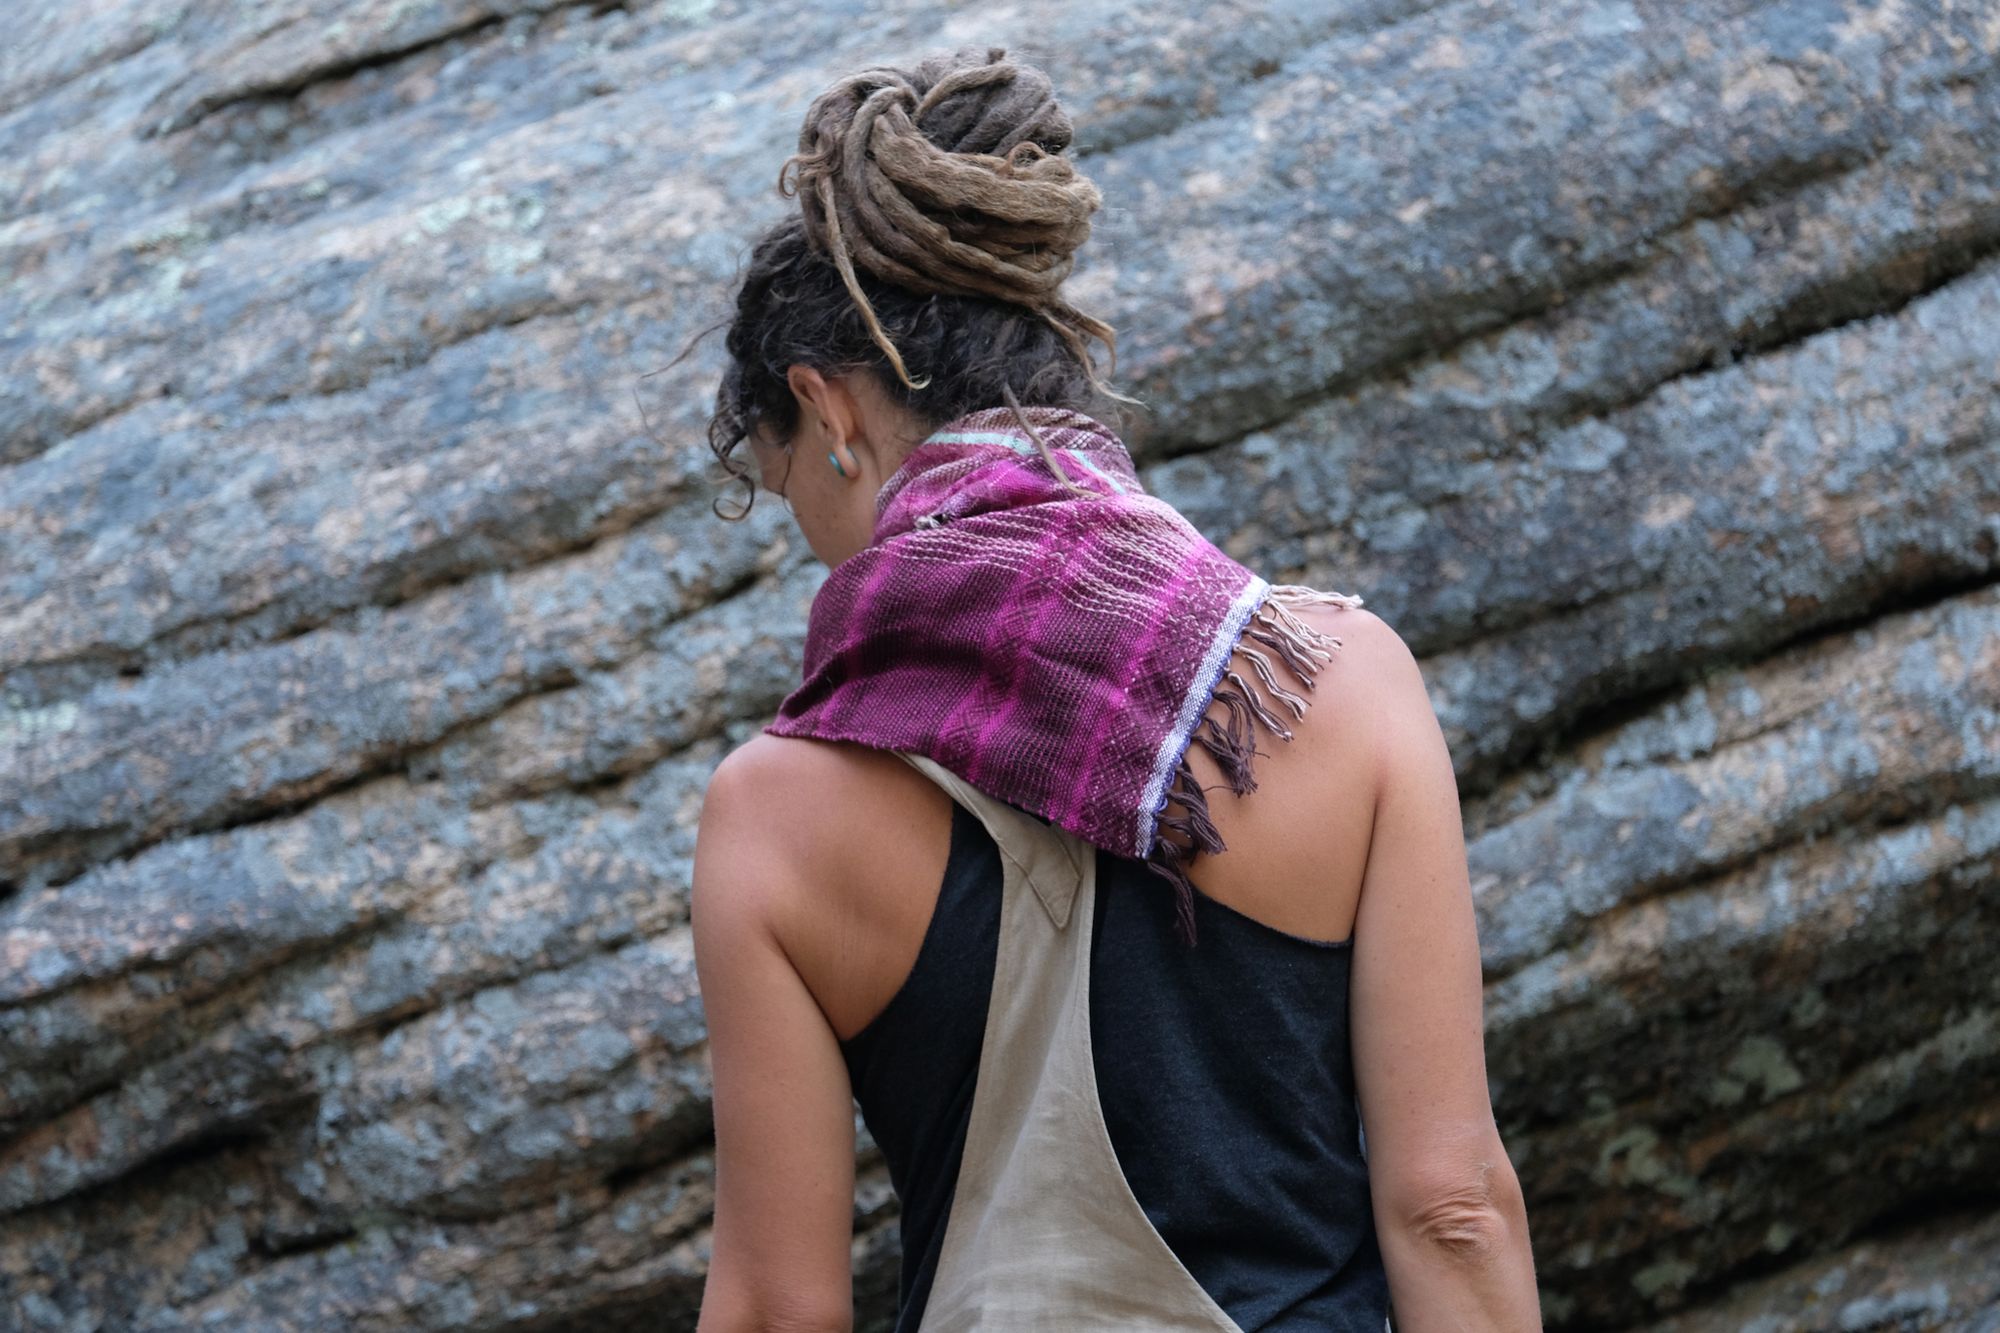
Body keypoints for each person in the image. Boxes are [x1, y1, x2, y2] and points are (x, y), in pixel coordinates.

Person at [685, 46, 1541, 1333]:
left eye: (791, 472)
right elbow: (1450, 1204)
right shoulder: (1340, 685)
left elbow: (776, 1309)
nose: (811, 528)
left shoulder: (773, 816)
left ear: (827, 405)